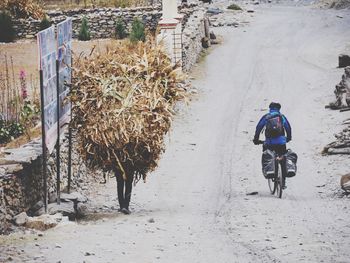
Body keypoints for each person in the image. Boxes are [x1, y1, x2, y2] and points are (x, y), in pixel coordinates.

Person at [253, 102, 292, 187]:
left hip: (269, 143)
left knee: (267, 155)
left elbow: (259, 127)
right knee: (282, 157)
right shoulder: (282, 117)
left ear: (270, 108)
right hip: (281, 142)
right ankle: (283, 181)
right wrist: (288, 138)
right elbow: (288, 128)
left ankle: (270, 170)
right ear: (279, 109)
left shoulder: (266, 117)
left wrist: (256, 139)